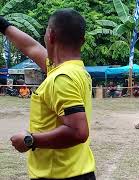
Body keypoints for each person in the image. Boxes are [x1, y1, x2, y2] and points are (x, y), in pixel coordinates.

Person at [4, 9, 96, 179]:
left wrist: (30, 140)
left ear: (51, 36)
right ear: (82, 41)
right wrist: (3, 25)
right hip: (76, 171)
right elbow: (30, 47)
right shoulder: (73, 70)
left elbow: (78, 132)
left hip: (60, 175)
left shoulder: (62, 78)